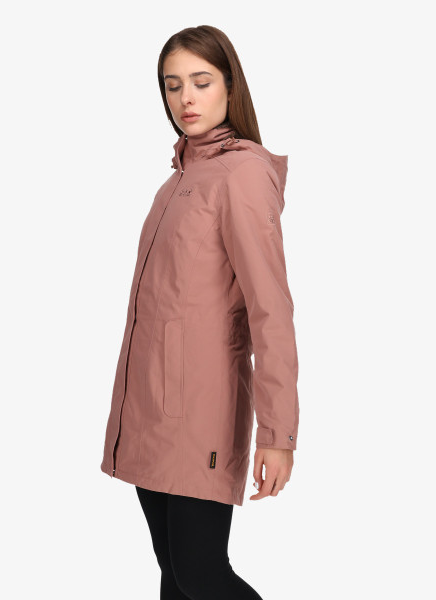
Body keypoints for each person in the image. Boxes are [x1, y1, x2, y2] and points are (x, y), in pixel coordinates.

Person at [100, 25, 299, 599]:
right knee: (174, 576)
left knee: (200, 573)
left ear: (230, 86)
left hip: (201, 412)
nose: (185, 98)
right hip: (150, 410)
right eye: (173, 85)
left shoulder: (242, 174)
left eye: (201, 82)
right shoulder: (179, 180)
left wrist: (278, 434)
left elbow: (270, 310)